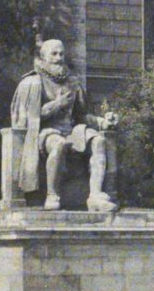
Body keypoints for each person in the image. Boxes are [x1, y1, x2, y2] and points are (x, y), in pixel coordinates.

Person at [9, 38, 117, 211]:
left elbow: (82, 115)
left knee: (98, 141)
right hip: (45, 132)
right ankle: (52, 195)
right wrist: (57, 105)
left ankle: (95, 195)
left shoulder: (73, 82)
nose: (59, 58)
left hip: (71, 131)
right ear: (43, 57)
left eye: (61, 54)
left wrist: (102, 121)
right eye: (54, 54)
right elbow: (27, 118)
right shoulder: (32, 82)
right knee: (59, 144)